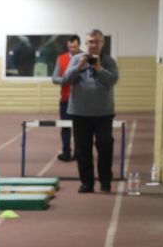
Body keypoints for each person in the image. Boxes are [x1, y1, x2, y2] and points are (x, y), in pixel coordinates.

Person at [61, 29, 120, 193]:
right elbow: (66, 80)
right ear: (86, 44)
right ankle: (86, 183)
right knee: (82, 149)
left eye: (97, 42)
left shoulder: (109, 61)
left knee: (105, 147)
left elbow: (112, 80)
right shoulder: (76, 59)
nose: (94, 45)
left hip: (103, 113)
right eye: (91, 42)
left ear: (102, 43)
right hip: (80, 113)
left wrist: (99, 68)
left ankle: (105, 182)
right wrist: (78, 67)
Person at [50, 35, 81, 162]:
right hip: (65, 100)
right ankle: (66, 152)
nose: (72, 49)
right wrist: (66, 80)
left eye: (74, 47)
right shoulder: (61, 58)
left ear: (79, 46)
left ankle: (79, 153)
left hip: (81, 101)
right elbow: (54, 78)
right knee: (65, 127)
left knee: (80, 128)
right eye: (70, 47)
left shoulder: (85, 58)